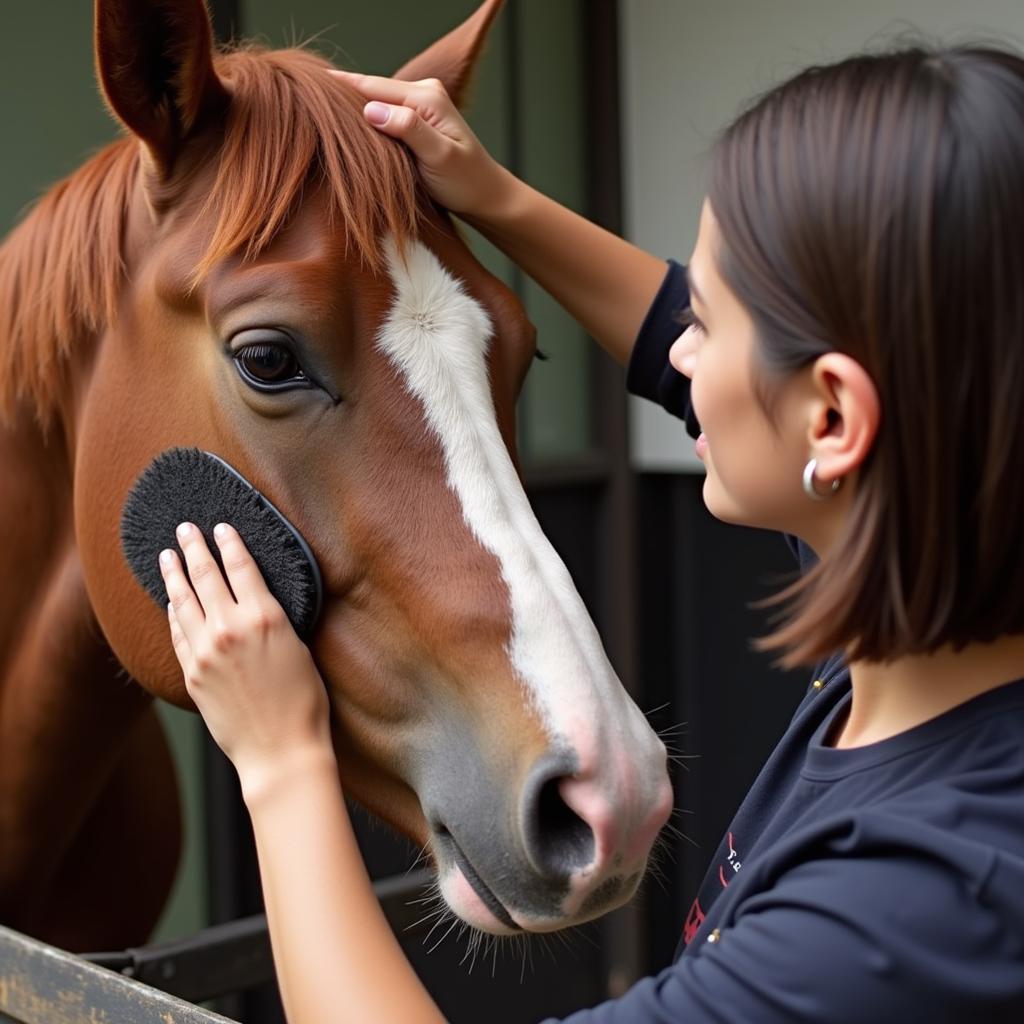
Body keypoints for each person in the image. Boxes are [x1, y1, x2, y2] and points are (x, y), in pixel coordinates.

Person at [158, 45, 1024, 1022]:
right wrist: (490, 194)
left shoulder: (905, 910)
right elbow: (663, 344)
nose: (677, 350)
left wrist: (280, 765)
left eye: (708, 314)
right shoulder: (944, 595)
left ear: (831, 423)